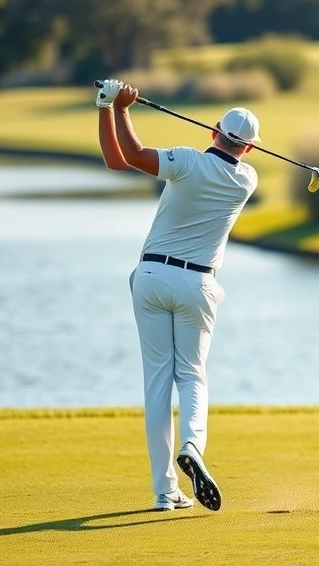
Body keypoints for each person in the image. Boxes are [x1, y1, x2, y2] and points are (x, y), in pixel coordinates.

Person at [95, 79, 260, 512]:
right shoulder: (247, 178)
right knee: (192, 376)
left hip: (150, 276)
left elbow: (122, 158)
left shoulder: (185, 162)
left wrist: (114, 106)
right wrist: (115, 107)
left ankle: (165, 491)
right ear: (250, 149)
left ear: (212, 131)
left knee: (157, 384)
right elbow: (123, 159)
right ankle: (193, 447)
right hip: (198, 285)